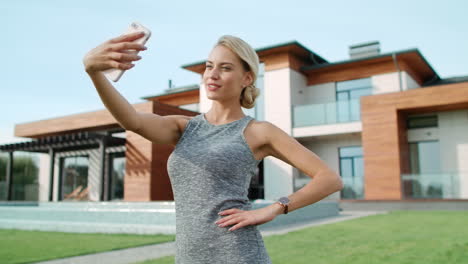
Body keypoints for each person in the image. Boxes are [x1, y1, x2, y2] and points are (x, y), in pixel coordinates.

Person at [83, 32, 344, 264]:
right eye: (209, 66)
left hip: (237, 254)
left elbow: (329, 179)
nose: (212, 74)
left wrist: (273, 208)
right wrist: (95, 73)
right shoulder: (184, 127)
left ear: (247, 78)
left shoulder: (258, 131)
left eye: (225, 68)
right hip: (188, 257)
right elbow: (132, 120)